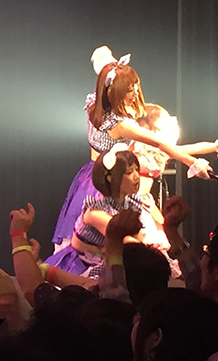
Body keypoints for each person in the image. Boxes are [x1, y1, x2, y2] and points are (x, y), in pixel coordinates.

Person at [52, 49, 215, 246]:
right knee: (112, 239)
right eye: (130, 89)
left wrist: (107, 63)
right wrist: (193, 163)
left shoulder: (95, 105)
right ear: (115, 91)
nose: (136, 92)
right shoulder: (121, 126)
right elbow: (160, 143)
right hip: (109, 184)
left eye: (136, 86)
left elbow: (105, 81)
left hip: (91, 176)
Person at [46, 145, 145, 277]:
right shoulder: (97, 211)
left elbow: (137, 237)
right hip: (82, 266)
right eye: (129, 172)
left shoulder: (131, 202)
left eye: (137, 170)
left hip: (111, 259)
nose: (136, 176)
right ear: (111, 178)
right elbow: (126, 241)